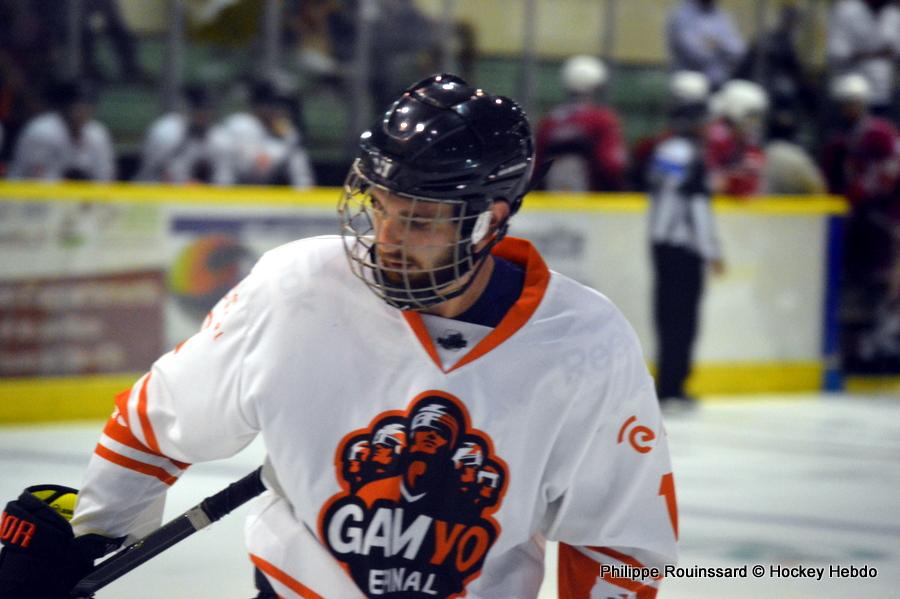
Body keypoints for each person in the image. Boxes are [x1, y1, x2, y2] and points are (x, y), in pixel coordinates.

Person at [0, 74, 678, 598]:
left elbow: (620, 539)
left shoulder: (586, 342)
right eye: (379, 206)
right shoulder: (296, 286)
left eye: (417, 219)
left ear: (490, 218)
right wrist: (89, 533)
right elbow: (156, 422)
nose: (384, 238)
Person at [648, 85, 724, 408]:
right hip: (683, 248)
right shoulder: (687, 154)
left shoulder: (666, 151)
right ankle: (674, 383)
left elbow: (663, 193)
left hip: (662, 244)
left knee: (667, 314)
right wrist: (712, 250)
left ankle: (669, 382)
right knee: (683, 317)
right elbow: (695, 206)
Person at [821, 73, 900, 372]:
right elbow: (830, 181)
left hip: (881, 221)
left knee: (885, 285)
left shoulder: (881, 134)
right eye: (843, 104)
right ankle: (855, 349)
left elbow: (889, 173)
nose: (847, 110)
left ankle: (882, 346)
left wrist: (862, 195)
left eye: (852, 104)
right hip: (852, 225)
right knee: (853, 285)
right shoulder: (836, 141)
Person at [534, 55, 628, 191]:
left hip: (551, 200)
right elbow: (612, 165)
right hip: (591, 199)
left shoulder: (551, 119)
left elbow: (536, 163)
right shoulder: (602, 118)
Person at [209, 80, 315, 189]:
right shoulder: (237, 126)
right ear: (258, 105)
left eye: (282, 106)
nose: (279, 110)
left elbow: (302, 178)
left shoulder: (288, 133)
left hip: (264, 195)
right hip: (230, 193)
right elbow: (224, 175)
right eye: (274, 105)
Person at [7, 80, 115, 181]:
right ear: (65, 106)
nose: (83, 111)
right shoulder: (41, 131)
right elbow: (36, 180)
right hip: (23, 196)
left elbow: (104, 179)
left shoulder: (98, 134)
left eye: (88, 105)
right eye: (77, 105)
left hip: (80, 198)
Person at [631, 70, 711, 191]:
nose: (707, 125)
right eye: (702, 117)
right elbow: (667, 193)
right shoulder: (674, 149)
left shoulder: (693, 146)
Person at [828, 0, 900, 118]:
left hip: (883, 93)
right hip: (849, 94)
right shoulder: (846, 11)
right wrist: (878, 53)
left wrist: (864, 52)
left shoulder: (893, 14)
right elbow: (837, 52)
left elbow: (896, 51)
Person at [134, 85, 217, 183]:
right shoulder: (166, 132)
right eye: (200, 112)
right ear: (188, 110)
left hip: (202, 195)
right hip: (154, 191)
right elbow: (149, 173)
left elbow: (223, 180)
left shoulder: (216, 137)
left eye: (208, 112)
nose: (204, 117)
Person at [705, 79, 768, 197]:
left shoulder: (748, 137)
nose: (755, 122)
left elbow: (757, 173)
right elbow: (713, 181)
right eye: (752, 116)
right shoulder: (716, 136)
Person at [666, 0, 746, 90]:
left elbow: (738, 50)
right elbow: (696, 54)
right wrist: (723, 49)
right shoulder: (681, 14)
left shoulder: (721, 15)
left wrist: (714, 44)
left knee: (747, 96)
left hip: (723, 80)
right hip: (690, 79)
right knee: (693, 88)